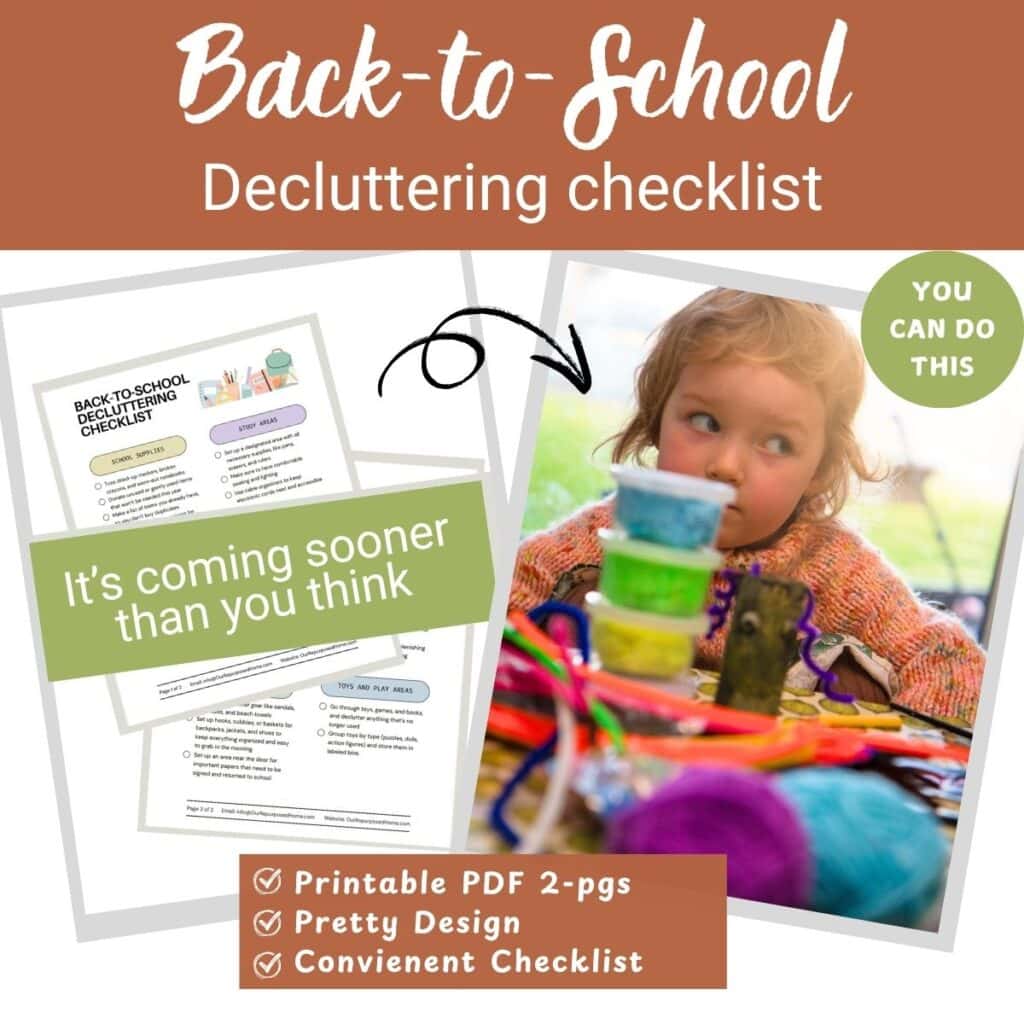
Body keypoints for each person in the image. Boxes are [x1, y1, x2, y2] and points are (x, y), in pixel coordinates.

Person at [510, 288, 985, 725]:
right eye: (705, 420)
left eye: (776, 442)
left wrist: (898, 758)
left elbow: (952, 663)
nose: (726, 465)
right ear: (657, 419)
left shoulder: (835, 568)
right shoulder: (618, 528)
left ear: (819, 469)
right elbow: (503, 593)